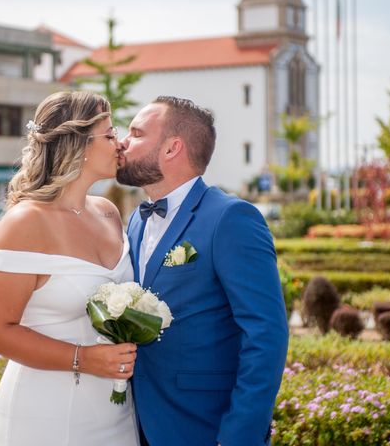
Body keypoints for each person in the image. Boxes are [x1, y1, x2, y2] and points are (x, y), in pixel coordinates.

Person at [117, 96, 289, 446]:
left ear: (172, 148)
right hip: (139, 425)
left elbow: (266, 334)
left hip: (206, 426)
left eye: (136, 133)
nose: (122, 142)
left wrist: (239, 436)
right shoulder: (136, 219)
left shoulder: (231, 218)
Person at [0, 91, 139, 446]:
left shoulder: (109, 213)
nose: (120, 142)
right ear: (79, 144)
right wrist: (84, 359)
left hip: (117, 411)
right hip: (43, 415)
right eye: (110, 134)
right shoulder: (24, 222)